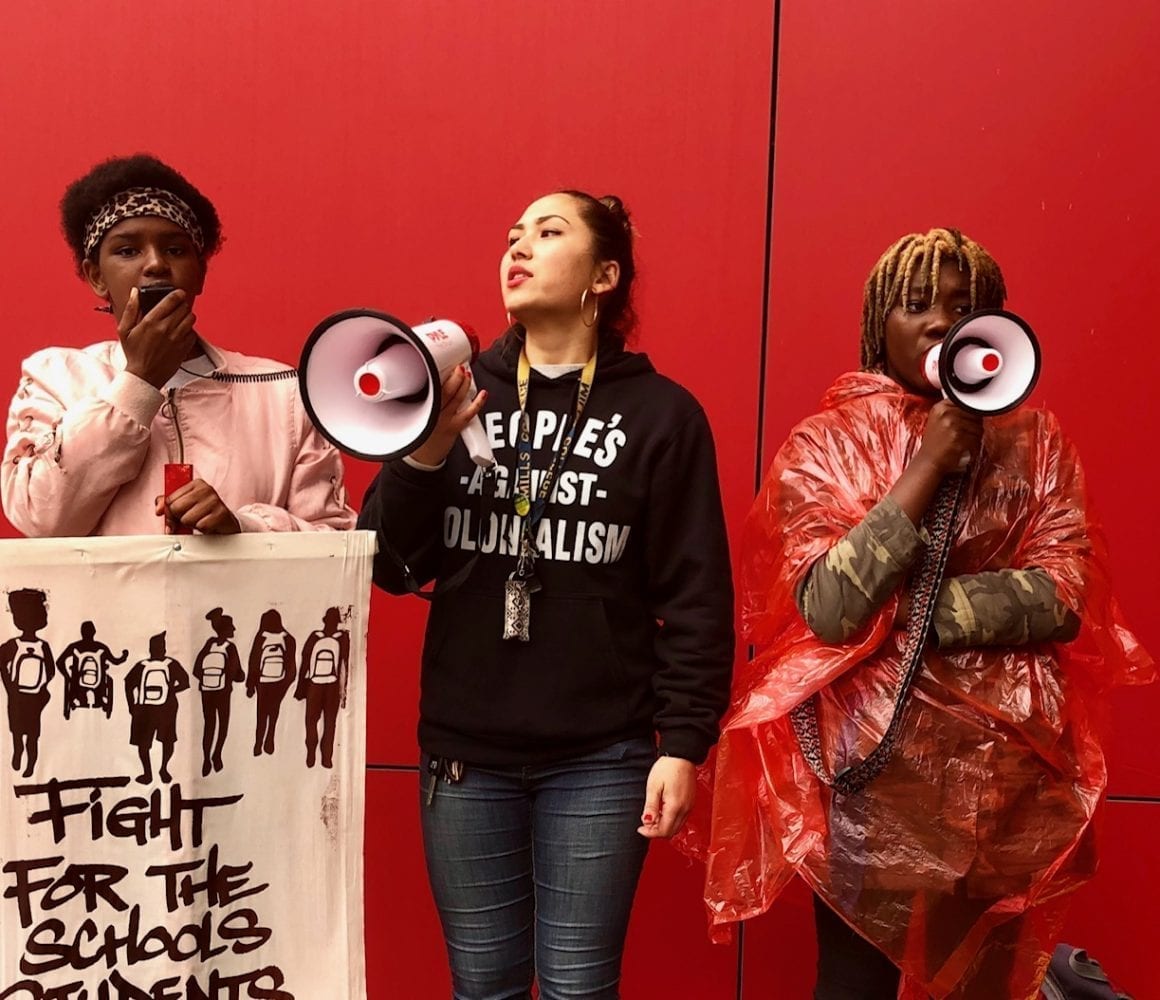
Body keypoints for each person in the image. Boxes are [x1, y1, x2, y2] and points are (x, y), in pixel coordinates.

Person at [695, 229, 1154, 998]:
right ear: (881, 324)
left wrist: (916, 609)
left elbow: (1067, 595)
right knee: (854, 985)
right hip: (869, 789)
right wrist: (929, 465)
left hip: (1001, 786)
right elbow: (833, 607)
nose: (940, 321)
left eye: (963, 307)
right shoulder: (825, 445)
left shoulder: (1037, 445)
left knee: (982, 986)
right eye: (916, 305)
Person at [357, 190, 734, 998]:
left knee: (576, 986)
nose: (518, 247)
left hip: (602, 755)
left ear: (605, 274)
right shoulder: (454, 395)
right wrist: (422, 452)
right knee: (484, 984)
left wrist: (684, 743)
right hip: (465, 754)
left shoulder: (662, 416)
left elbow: (696, 594)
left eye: (548, 232)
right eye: (511, 236)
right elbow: (387, 565)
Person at [1, 153, 355, 537]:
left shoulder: (283, 390)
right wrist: (139, 380)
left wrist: (245, 527)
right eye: (127, 250)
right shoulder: (55, 378)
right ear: (96, 277)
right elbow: (41, 518)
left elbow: (335, 540)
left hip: (235, 600)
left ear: (200, 273)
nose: (155, 264)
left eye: (175, 249)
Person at [0, 589, 55, 777]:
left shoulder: (19, 645)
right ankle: (19, 756)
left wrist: (11, 687)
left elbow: (51, 671)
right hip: (25, 697)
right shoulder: (32, 646)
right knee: (25, 734)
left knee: (28, 734)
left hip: (23, 697)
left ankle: (28, 763)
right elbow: (51, 671)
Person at [125, 631, 190, 785]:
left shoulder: (142, 666)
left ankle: (157, 771)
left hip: (149, 708)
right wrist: (171, 690)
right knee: (159, 742)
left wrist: (132, 705)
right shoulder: (170, 664)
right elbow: (185, 682)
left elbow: (128, 684)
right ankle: (154, 772)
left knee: (154, 742)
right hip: (160, 708)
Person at [293, 606, 349, 769]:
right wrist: (343, 691)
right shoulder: (342, 638)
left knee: (311, 721)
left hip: (314, 684)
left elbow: (305, 662)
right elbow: (345, 665)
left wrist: (301, 687)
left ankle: (311, 751)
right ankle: (326, 757)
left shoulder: (314, 637)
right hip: (332, 685)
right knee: (330, 722)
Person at [192, 607, 245, 776]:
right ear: (226, 629)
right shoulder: (230, 648)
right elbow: (237, 674)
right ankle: (217, 755)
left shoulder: (209, 644)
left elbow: (196, 669)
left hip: (206, 691)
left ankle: (206, 758)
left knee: (209, 726)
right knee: (222, 725)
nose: (234, 630)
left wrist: (207, 679)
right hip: (223, 692)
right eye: (231, 627)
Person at [246, 608, 297, 757]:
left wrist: (251, 684)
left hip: (263, 681)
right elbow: (291, 667)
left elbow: (253, 662)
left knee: (261, 713)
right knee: (273, 712)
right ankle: (268, 741)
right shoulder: (288, 639)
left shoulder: (261, 638)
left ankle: (259, 743)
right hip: (278, 682)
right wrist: (285, 685)